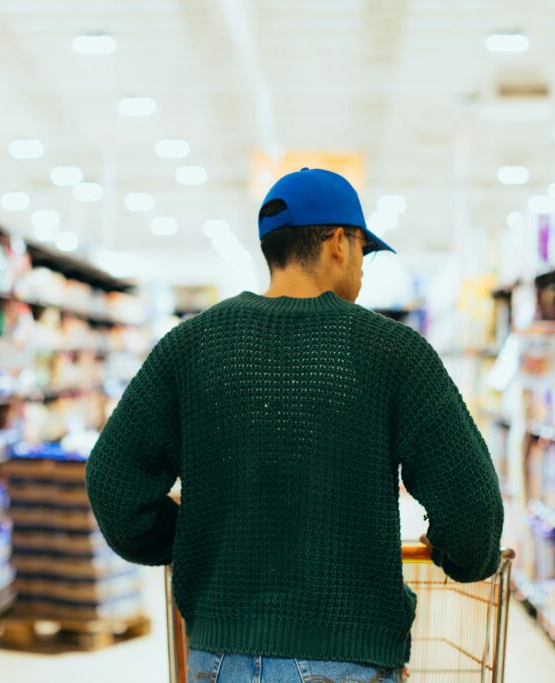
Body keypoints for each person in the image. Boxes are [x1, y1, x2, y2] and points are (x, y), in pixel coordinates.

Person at [86, 168, 503, 682]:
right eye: (364, 251)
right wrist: (461, 557)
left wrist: (185, 539)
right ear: (338, 243)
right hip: (347, 655)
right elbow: (473, 513)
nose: (363, 267)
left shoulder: (190, 345)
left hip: (217, 658)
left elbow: (113, 483)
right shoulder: (393, 351)